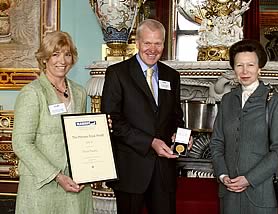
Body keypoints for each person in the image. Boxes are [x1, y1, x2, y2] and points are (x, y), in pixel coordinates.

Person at [101, 19, 185, 214]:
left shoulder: (172, 76)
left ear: (164, 45)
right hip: (130, 169)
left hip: (164, 171)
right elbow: (113, 122)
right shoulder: (117, 73)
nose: (152, 49)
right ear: (137, 43)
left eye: (158, 43)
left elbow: (176, 117)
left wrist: (180, 136)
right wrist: (150, 142)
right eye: (147, 43)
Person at [12, 31, 93, 214]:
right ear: (44, 59)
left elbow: (81, 136)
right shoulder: (32, 93)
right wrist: (56, 176)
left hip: (75, 184)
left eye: (67, 54)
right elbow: (21, 143)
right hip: (41, 185)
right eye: (55, 54)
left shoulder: (79, 92)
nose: (62, 61)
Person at [209, 39, 278, 214]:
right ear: (233, 69)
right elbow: (216, 143)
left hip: (261, 195)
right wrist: (222, 176)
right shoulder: (227, 100)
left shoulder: (276, 101)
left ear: (260, 67)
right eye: (239, 65)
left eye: (250, 65)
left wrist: (248, 179)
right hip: (229, 194)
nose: (245, 71)